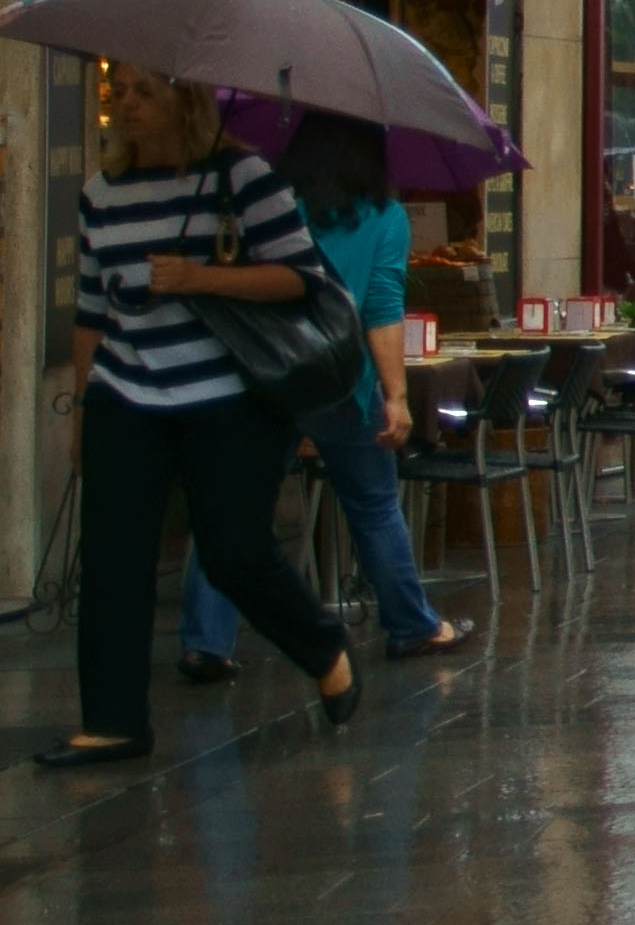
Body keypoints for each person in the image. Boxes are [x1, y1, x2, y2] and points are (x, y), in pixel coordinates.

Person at [55, 63, 355, 767]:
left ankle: (323, 645)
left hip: (230, 397)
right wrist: (82, 405)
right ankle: (113, 721)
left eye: (144, 93)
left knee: (233, 549)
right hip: (127, 394)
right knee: (111, 559)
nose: (126, 105)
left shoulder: (242, 180)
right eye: (117, 93)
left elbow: (298, 277)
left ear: (185, 103)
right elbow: (91, 310)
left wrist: (199, 278)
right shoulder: (102, 194)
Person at [185, 109, 460, 677]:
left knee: (234, 507)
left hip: (264, 376)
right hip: (341, 380)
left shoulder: (268, 202)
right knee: (374, 504)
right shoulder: (385, 216)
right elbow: (381, 309)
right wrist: (396, 395)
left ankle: (206, 641)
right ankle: (412, 625)